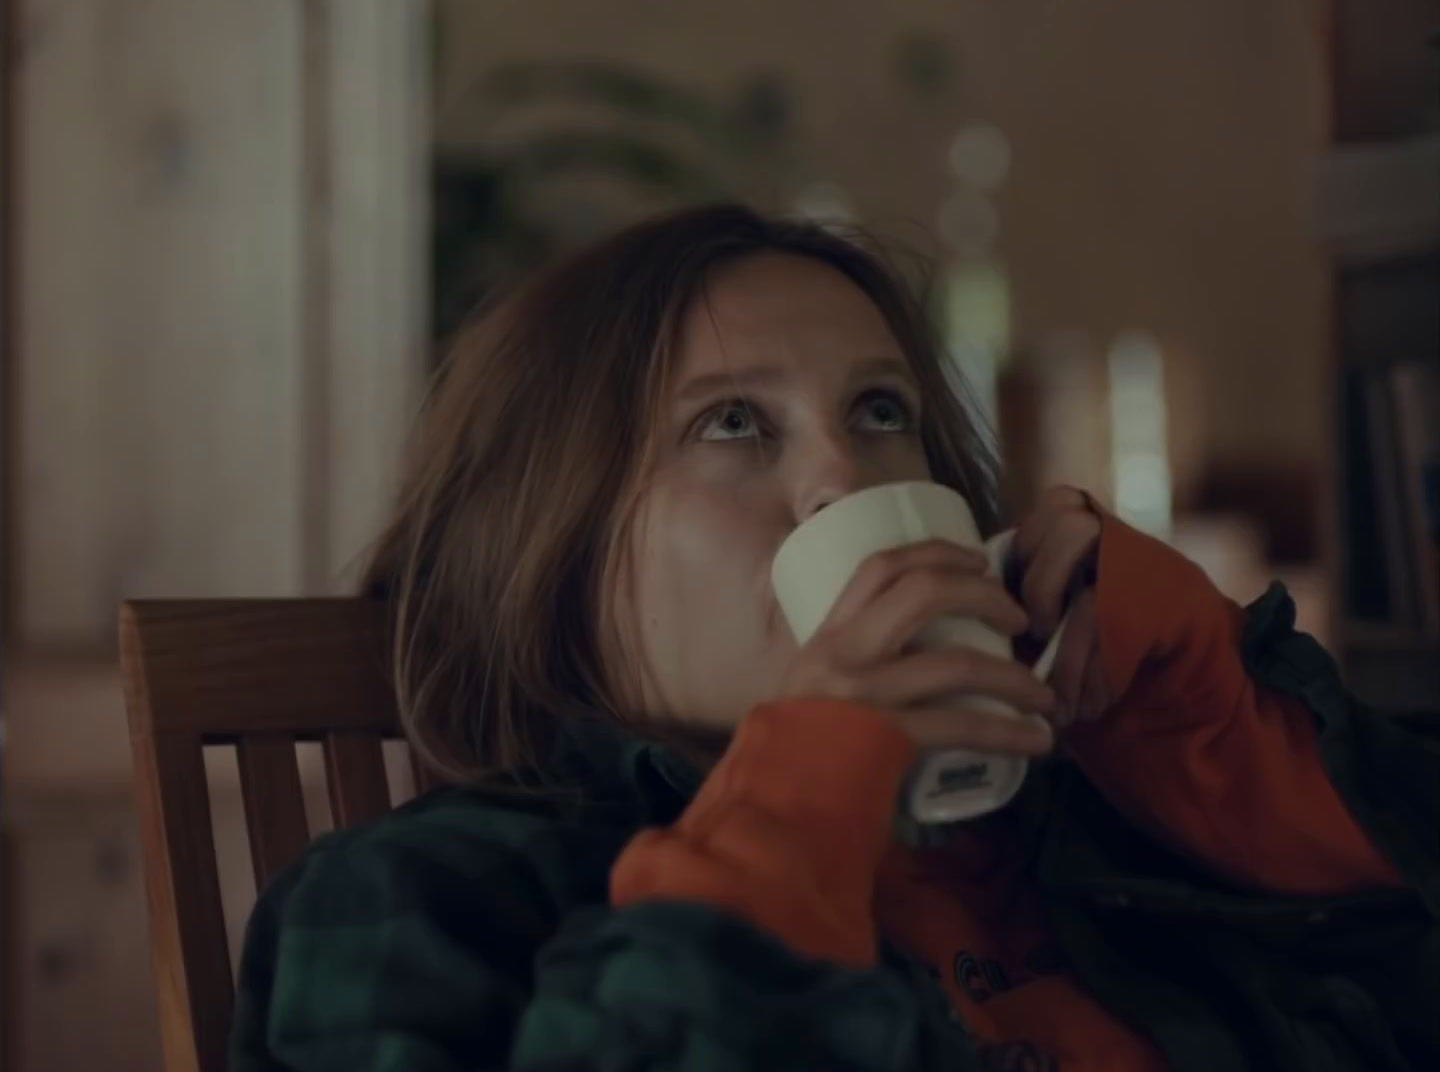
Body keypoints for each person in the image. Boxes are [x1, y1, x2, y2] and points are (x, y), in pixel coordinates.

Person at [230, 204, 1438, 1072]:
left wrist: (1225, 741)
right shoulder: (428, 896)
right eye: (735, 422)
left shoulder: (1085, 829)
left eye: (879, 410)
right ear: (550, 543)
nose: (838, 478)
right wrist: (801, 800)